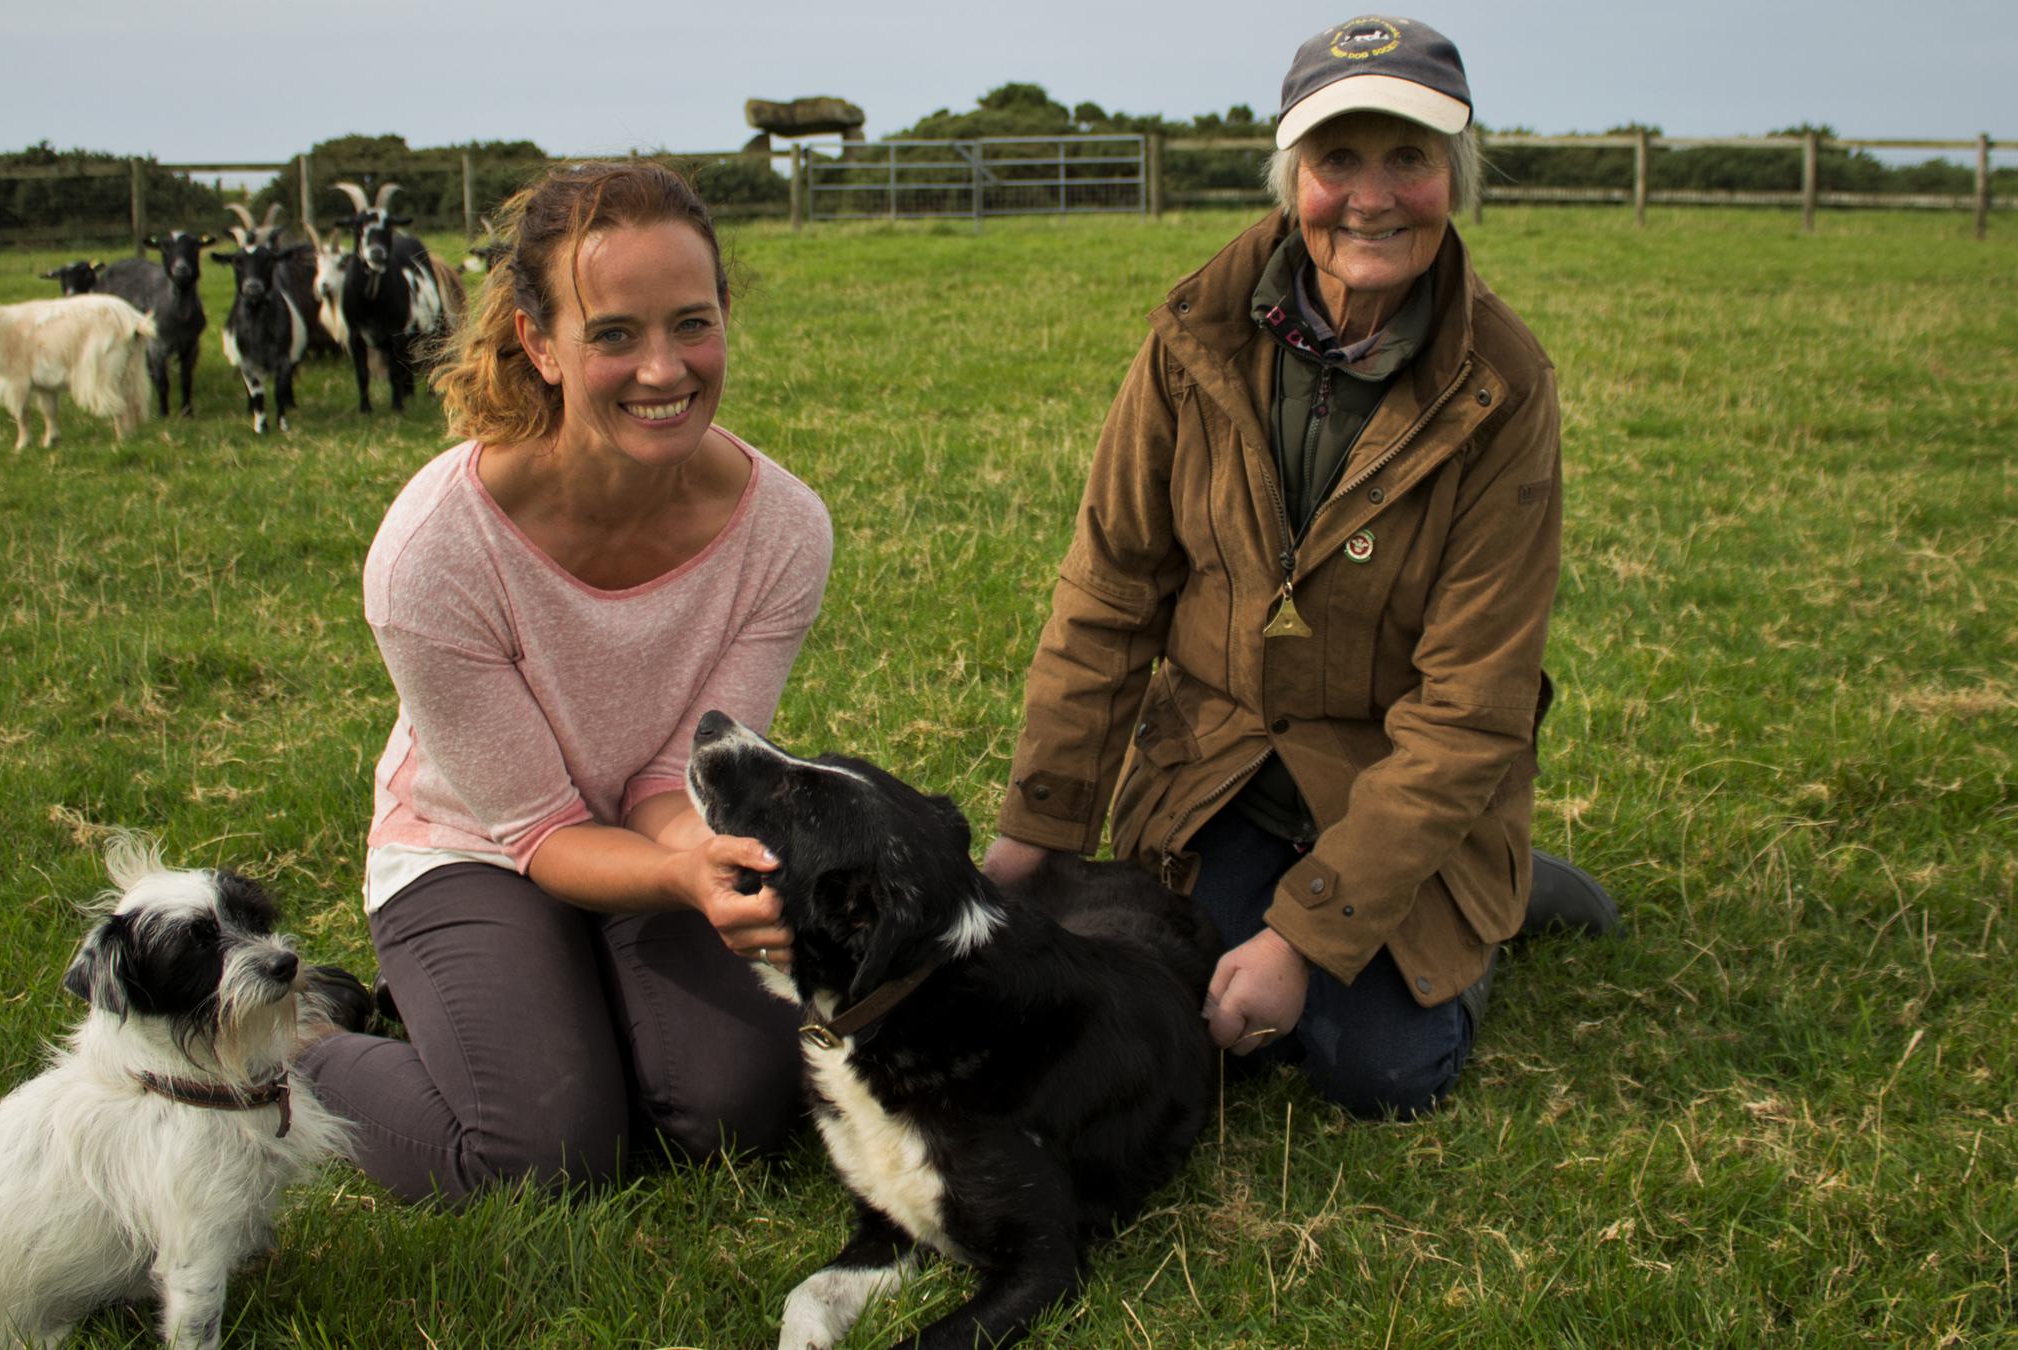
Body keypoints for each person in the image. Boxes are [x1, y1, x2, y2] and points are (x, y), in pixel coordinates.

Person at [981, 16, 1618, 1119]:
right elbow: (1109, 597)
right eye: (1338, 159)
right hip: (1220, 768)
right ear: (1291, 177)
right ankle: (1398, 899)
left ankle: (1491, 897)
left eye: (1409, 157)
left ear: (1456, 176)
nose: (1371, 198)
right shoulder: (1192, 339)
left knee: (1376, 1073)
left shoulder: (1504, 387)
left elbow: (1472, 709)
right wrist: (1037, 829)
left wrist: (1305, 937)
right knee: (1196, 1012)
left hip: (1394, 775)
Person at [294, 161, 832, 1203]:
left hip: (650, 835)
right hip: (476, 848)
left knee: (744, 1109)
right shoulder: (433, 554)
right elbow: (540, 834)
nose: (663, 369)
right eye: (614, 334)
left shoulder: (784, 531)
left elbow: (677, 777)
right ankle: (308, 1047)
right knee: (542, 1154)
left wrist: (698, 857)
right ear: (540, 344)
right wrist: (682, 880)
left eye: (692, 324)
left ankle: (551, 1006)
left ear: (725, 315)